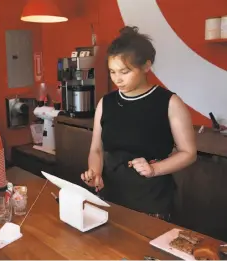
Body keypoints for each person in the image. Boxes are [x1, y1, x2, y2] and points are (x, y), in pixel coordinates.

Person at [81, 26, 197, 221]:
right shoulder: (106, 103)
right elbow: (97, 149)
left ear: (146, 66)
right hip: (111, 198)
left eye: (125, 72)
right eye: (112, 72)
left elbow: (189, 153)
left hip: (151, 202)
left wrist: (154, 169)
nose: (117, 79)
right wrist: (96, 172)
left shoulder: (169, 102)